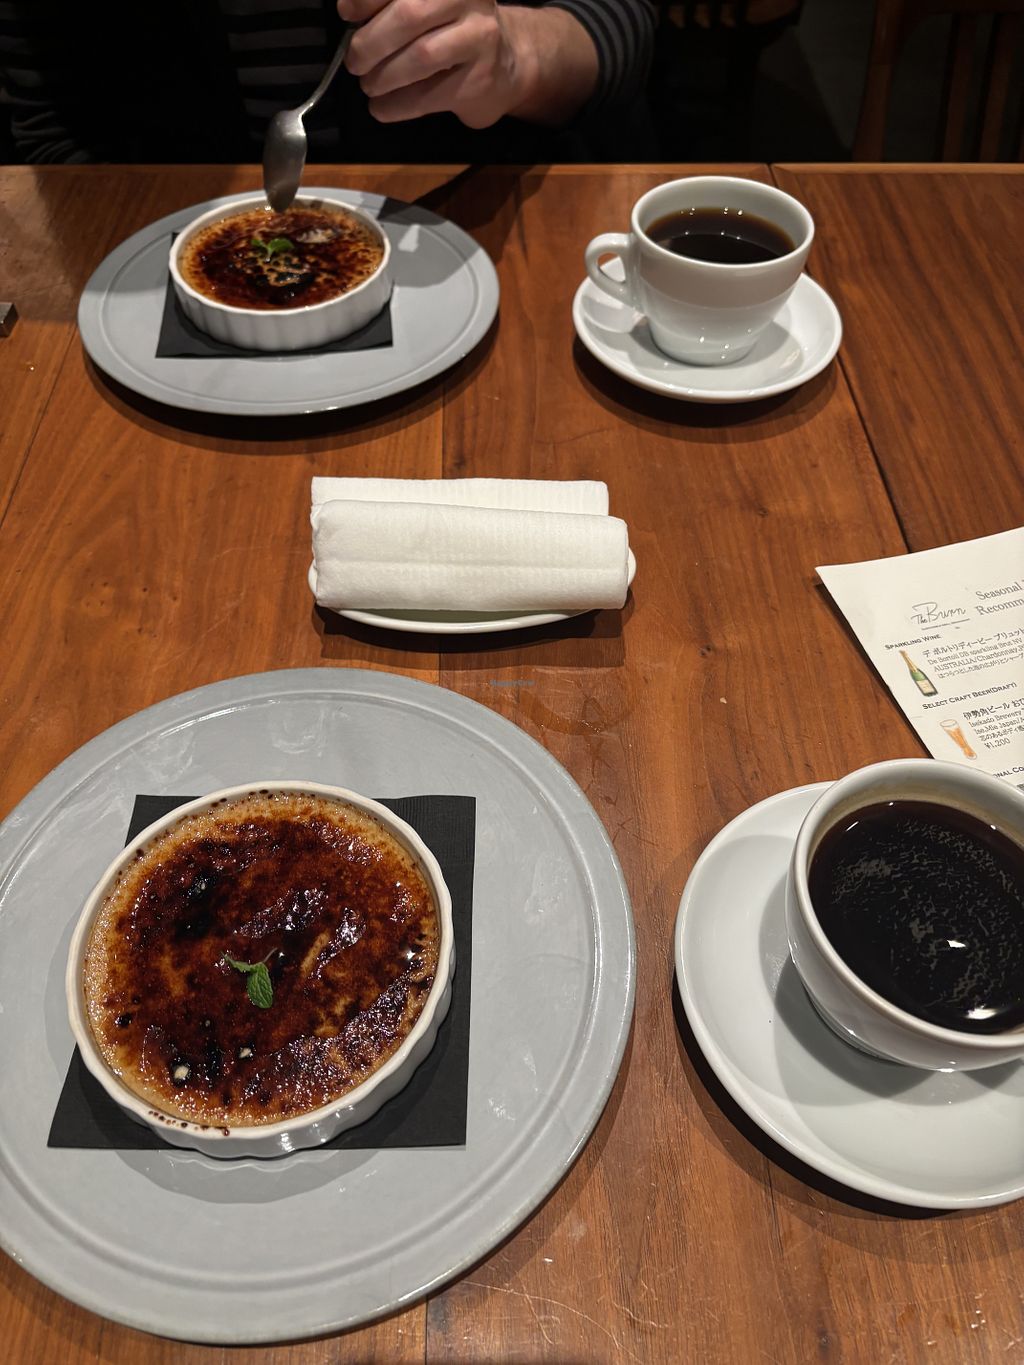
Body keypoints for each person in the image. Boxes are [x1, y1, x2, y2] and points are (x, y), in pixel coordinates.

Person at [0, 0, 656, 165]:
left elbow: (625, 25)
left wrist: (516, 57)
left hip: (476, 232)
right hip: (152, 275)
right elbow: (49, 131)